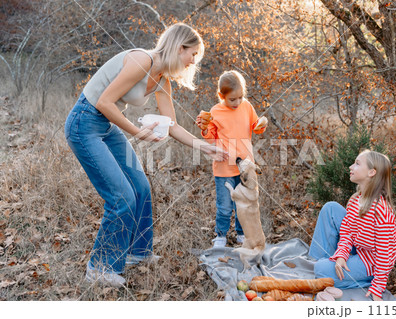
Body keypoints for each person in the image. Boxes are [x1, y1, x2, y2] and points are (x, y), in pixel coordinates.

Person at [64, 23, 228, 287]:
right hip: (84, 123)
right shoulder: (141, 59)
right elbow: (105, 102)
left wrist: (203, 146)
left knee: (140, 187)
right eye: (193, 54)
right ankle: (100, 268)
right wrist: (138, 133)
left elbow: (171, 125)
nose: (194, 61)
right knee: (122, 196)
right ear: (179, 47)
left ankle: (138, 253)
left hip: (106, 125)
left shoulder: (163, 81)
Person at [308, 150, 396, 301]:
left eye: (357, 163)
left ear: (371, 172)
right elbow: (347, 232)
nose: (350, 167)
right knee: (331, 208)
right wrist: (341, 255)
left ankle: (365, 280)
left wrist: (378, 288)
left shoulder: (381, 211)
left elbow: (385, 253)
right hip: (358, 248)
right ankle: (331, 262)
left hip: (370, 262)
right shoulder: (355, 200)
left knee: (320, 271)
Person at [195, 70, 268, 248]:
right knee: (225, 206)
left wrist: (261, 125)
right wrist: (204, 129)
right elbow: (211, 139)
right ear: (221, 95)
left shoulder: (247, 106)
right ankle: (220, 235)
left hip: (245, 167)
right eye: (232, 99)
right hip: (224, 167)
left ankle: (242, 234)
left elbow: (255, 126)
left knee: (244, 204)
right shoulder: (215, 111)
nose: (237, 102)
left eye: (240, 98)